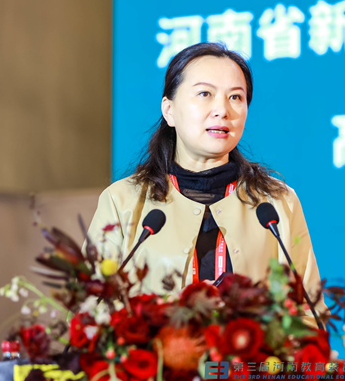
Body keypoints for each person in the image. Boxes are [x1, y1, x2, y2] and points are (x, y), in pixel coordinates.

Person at [85, 42, 327, 327]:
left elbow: (310, 316)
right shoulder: (122, 201)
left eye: (236, 97)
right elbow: (87, 315)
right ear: (169, 110)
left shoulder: (276, 202)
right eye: (205, 94)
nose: (222, 110)